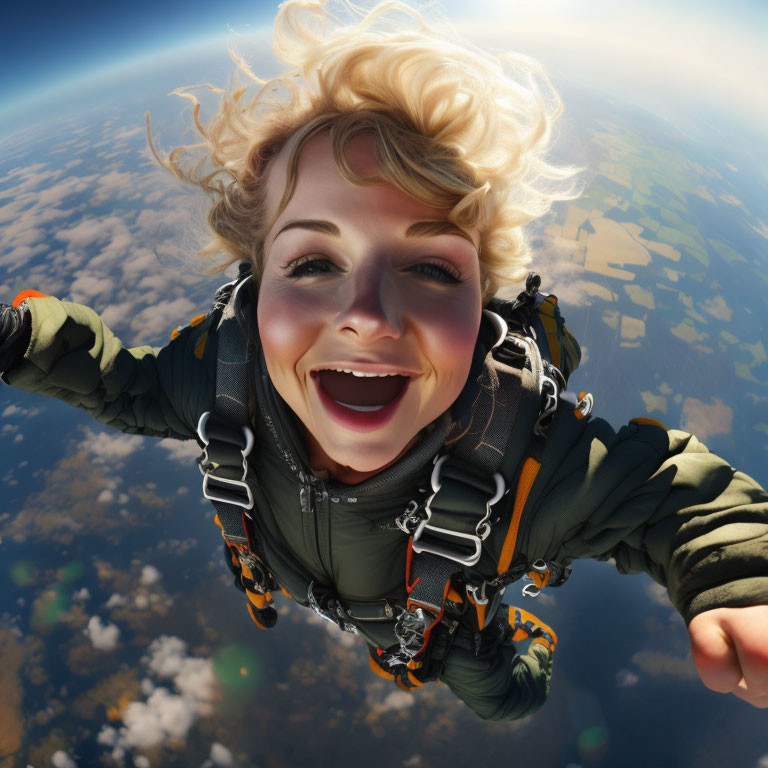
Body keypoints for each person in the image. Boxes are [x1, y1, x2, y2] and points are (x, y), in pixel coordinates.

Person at [1, 0, 767, 721]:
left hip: (439, 629)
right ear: (254, 286)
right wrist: (17, 337)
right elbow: (124, 385)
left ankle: (517, 650)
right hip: (350, 596)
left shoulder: (522, 458)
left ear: (481, 304)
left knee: (499, 697)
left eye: (431, 268)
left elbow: (673, 497)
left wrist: (740, 576)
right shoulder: (220, 374)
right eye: (311, 265)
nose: (366, 316)